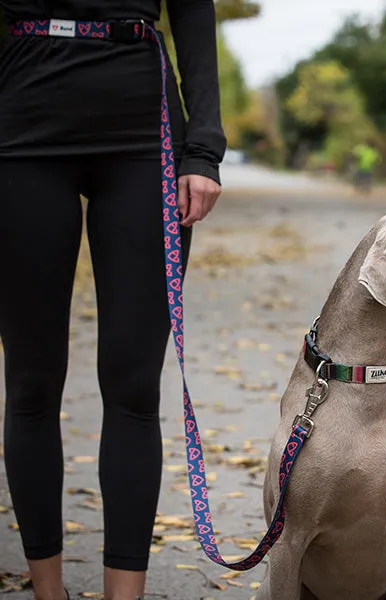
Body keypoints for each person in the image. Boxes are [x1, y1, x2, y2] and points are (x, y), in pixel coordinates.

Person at [0, 2, 225, 600]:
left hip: (142, 127)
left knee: (132, 387)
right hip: (20, 118)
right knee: (30, 384)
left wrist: (202, 147)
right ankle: (48, 592)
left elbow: (194, 13)